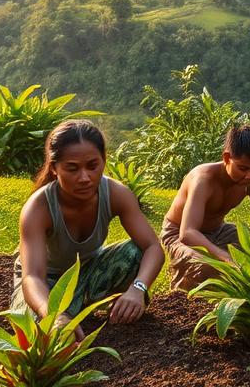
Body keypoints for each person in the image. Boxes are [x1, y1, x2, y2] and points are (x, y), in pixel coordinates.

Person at [15, 120, 163, 338]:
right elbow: (33, 277)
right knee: (33, 332)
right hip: (47, 284)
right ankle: (68, 314)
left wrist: (137, 289)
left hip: (89, 272)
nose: (84, 177)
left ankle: (93, 306)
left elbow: (152, 247)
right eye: (72, 168)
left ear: (104, 161)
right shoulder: (38, 208)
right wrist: (52, 314)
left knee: (134, 252)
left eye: (93, 166)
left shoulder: (116, 193)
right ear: (54, 168)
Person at [161, 124, 250, 291]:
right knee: (209, 266)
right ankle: (182, 289)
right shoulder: (203, 179)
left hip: (219, 230)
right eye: (242, 168)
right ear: (227, 158)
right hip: (178, 234)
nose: (249, 175)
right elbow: (188, 233)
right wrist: (225, 257)